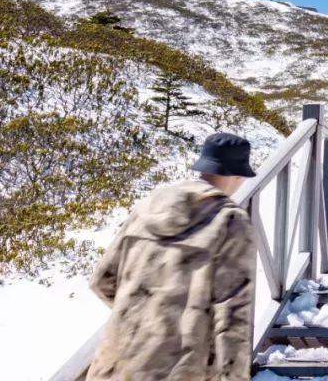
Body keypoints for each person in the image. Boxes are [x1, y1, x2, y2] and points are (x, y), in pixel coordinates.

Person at [86, 133, 257, 381]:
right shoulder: (229, 221)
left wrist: (144, 318)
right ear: (238, 175)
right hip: (179, 368)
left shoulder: (148, 205)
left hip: (115, 362)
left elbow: (102, 280)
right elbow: (233, 318)